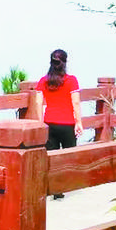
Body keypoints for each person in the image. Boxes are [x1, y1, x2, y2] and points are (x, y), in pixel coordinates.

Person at [35, 49, 83, 200]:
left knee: (52, 157)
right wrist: (79, 122)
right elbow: (75, 102)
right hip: (67, 123)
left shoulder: (43, 81)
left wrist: (40, 122)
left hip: (49, 123)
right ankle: (64, 184)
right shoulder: (71, 80)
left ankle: (55, 189)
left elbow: (38, 102)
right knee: (68, 156)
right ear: (65, 62)